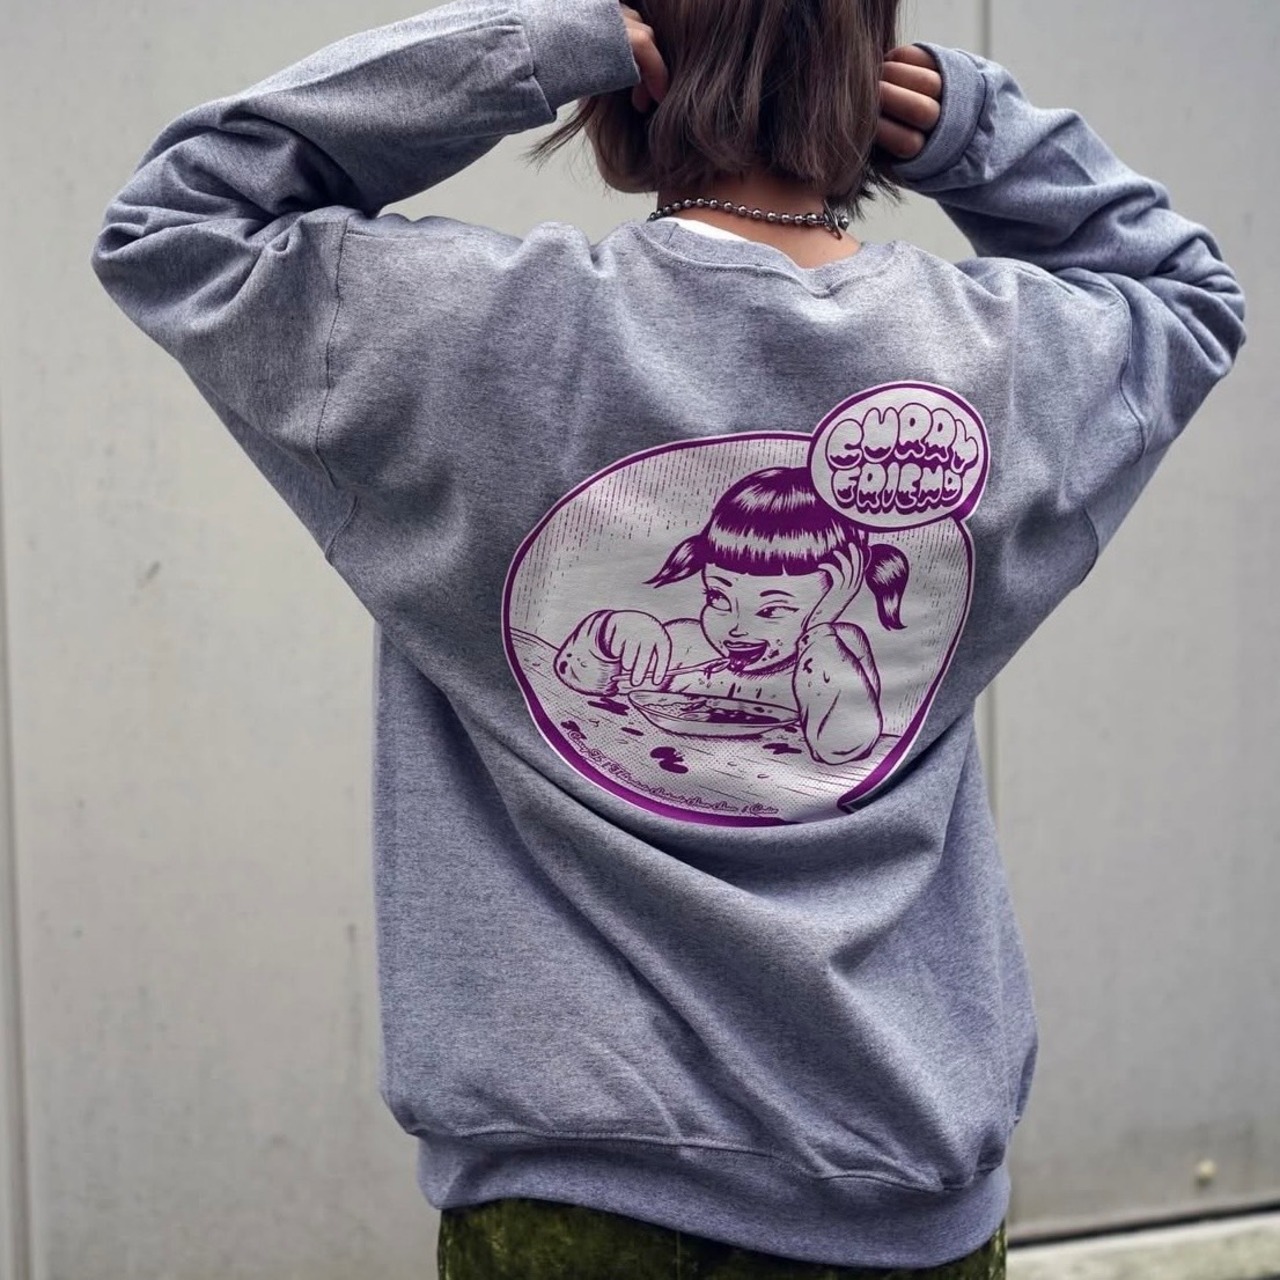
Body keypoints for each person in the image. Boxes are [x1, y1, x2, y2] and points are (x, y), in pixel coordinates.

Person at [88, 0, 1245, 1275]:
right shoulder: (998, 362)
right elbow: (1186, 295)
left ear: (627, 63)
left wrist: (519, 56)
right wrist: (974, 130)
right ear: (863, 63)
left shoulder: (480, 335)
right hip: (903, 1185)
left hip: (576, 1190)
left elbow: (177, 219)